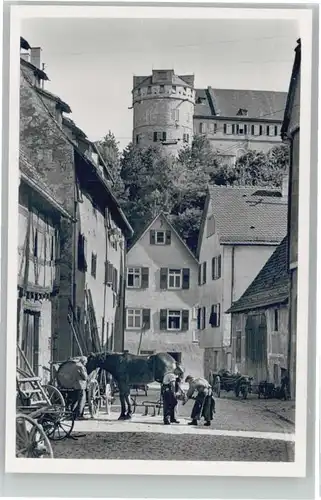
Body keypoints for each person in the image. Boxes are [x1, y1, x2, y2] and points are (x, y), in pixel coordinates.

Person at [71, 356, 88, 420]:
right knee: (81, 400)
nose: (86, 363)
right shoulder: (81, 367)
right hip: (81, 386)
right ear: (83, 361)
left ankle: (72, 414)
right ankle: (79, 415)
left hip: (75, 385)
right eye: (86, 362)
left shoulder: (74, 366)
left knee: (75, 400)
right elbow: (85, 377)